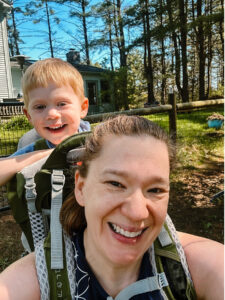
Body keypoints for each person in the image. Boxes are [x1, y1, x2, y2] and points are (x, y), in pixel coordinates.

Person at [0, 115, 223, 300]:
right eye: (116, 184)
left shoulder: (196, 266)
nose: (137, 213)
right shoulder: (30, 284)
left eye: (155, 190)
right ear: (81, 188)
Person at [0, 57, 90, 186]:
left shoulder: (100, 140)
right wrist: (52, 154)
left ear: (82, 108)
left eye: (61, 104)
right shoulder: (32, 149)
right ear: (29, 116)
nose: (51, 115)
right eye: (40, 107)